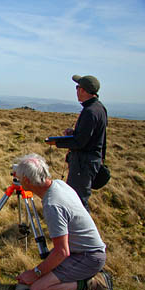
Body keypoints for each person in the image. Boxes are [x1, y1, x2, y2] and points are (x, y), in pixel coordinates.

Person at [15, 153, 115, 290]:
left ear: (26, 180)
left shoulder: (52, 205)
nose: (17, 180)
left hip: (88, 257)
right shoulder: (59, 184)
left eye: (18, 177)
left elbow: (62, 252)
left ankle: (94, 283)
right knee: (44, 271)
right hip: (82, 251)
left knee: (38, 289)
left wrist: (35, 272)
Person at [46, 75, 107, 212]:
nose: (76, 90)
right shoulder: (98, 108)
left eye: (78, 87)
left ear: (84, 90)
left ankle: (81, 231)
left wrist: (57, 142)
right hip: (88, 161)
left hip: (83, 163)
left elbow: (81, 142)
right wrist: (73, 133)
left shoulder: (90, 112)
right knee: (77, 197)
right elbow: (94, 137)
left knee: (77, 199)